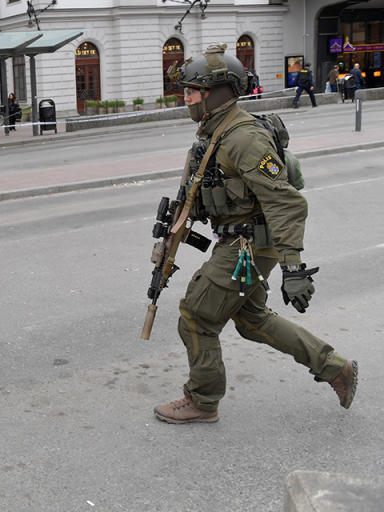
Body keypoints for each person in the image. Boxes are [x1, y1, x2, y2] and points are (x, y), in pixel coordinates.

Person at [153, 44, 357, 425]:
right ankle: (335, 367)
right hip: (239, 240)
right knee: (252, 321)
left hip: (247, 246)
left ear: (215, 94)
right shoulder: (217, 132)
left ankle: (203, 400)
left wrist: (293, 268)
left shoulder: (244, 138)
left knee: (196, 317)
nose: (187, 99)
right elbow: (218, 191)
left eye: (192, 92)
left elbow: (286, 203)